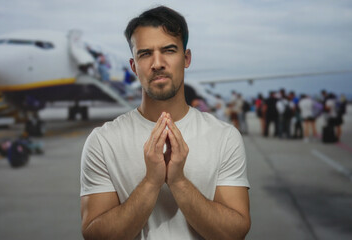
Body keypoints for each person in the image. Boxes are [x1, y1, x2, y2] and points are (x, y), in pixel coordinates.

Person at [80, 6, 250, 240]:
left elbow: (234, 233)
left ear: (186, 58)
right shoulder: (102, 141)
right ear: (133, 66)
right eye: (145, 53)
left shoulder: (224, 137)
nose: (157, 63)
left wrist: (178, 181)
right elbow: (95, 235)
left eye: (169, 50)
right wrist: (151, 181)